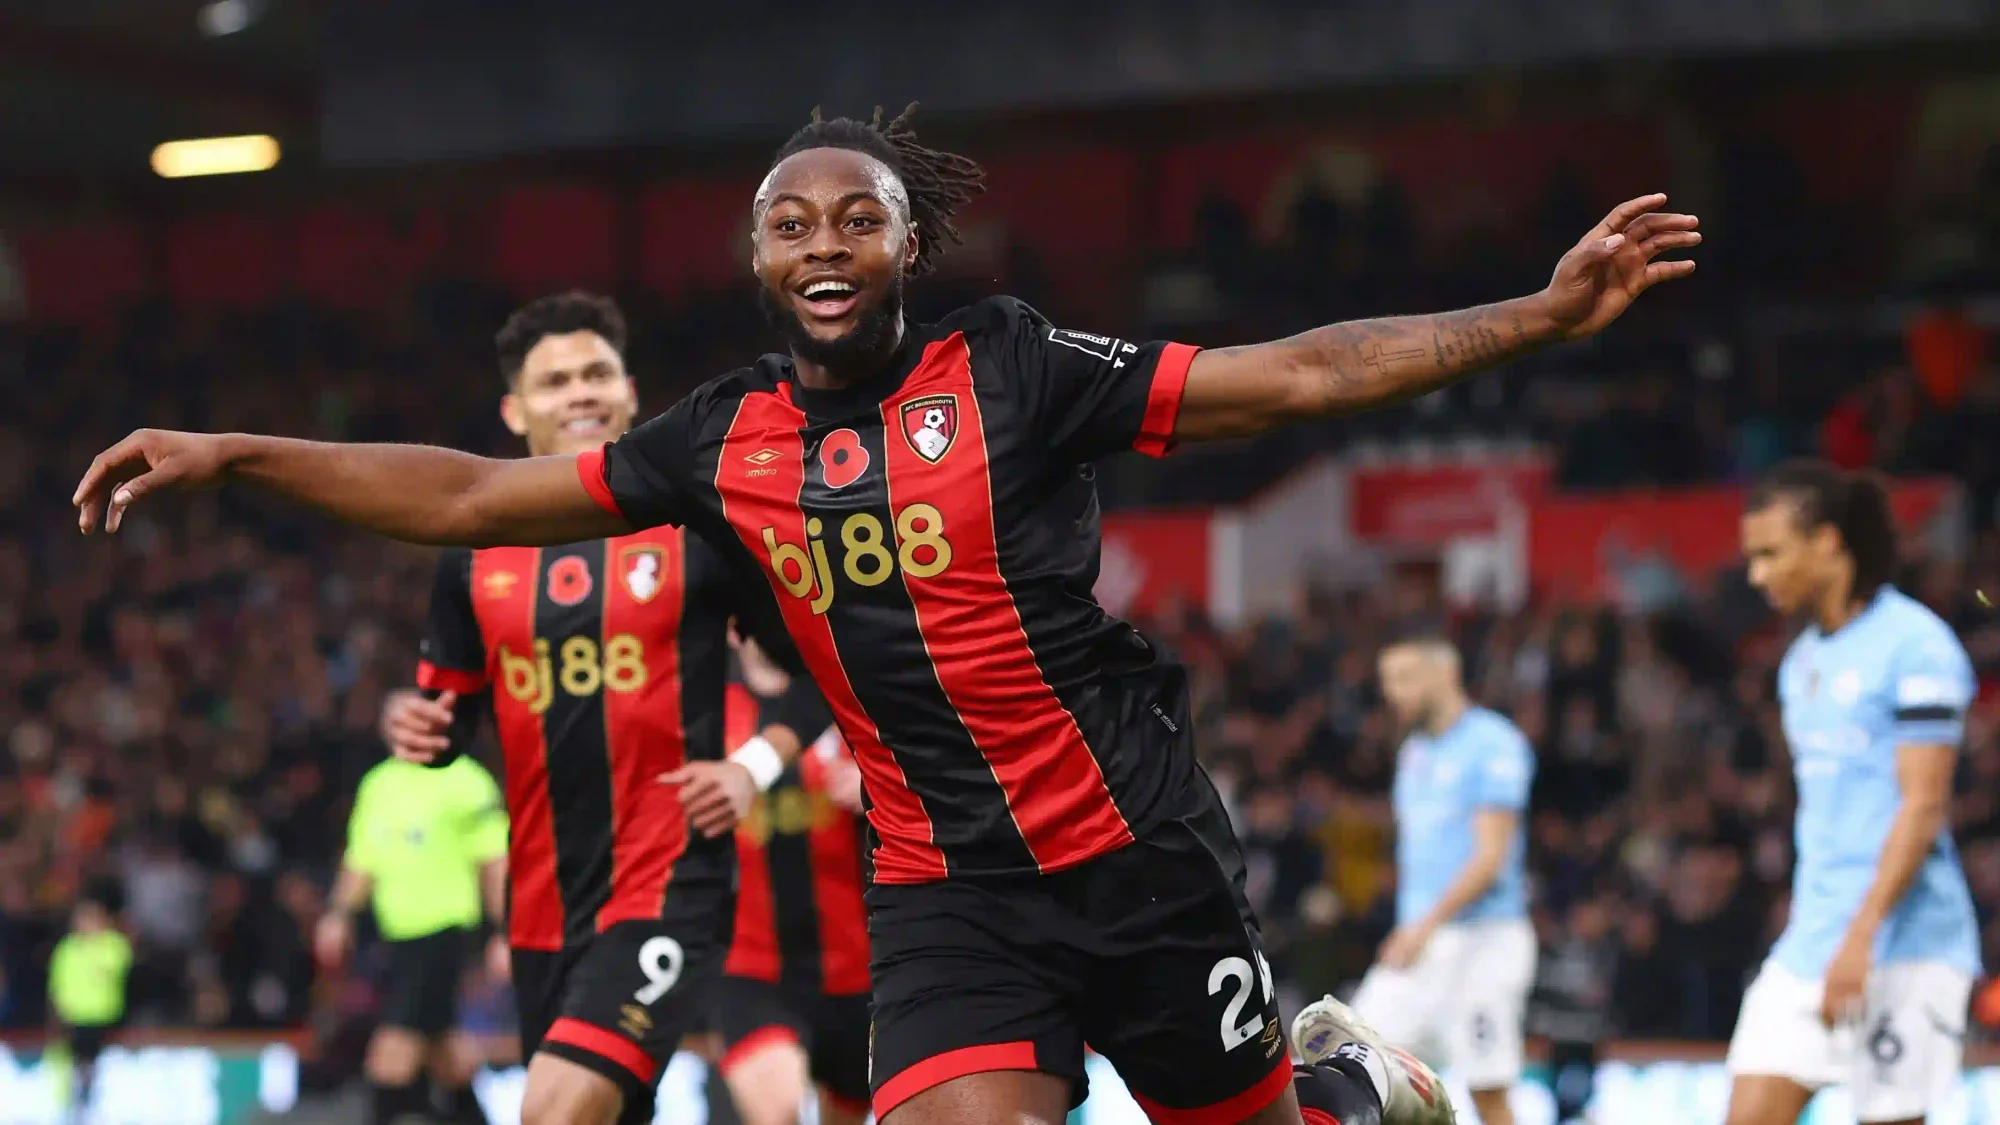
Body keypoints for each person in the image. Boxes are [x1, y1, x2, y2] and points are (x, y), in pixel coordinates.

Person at [74, 104, 1698, 1125]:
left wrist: (1536, 318)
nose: (826, 244)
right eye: (792, 224)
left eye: (857, 217)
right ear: (757, 260)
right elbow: (468, 501)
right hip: (947, 889)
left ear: (910, 243)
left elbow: (1294, 379)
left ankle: (1349, 1090)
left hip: (1133, 853)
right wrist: (237, 454)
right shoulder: (717, 441)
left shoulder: (1015, 367)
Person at [375, 291, 832, 1125]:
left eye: (596, 373)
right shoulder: (471, 556)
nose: (580, 392)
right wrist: (423, 730)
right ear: (516, 411)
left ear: (629, 392)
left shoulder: (701, 528)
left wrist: (751, 765)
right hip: (541, 910)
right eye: (555, 382)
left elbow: (821, 669)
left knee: (553, 1110)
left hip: (668, 884)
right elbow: (450, 717)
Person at [1723, 461, 1979, 1125]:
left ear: (1828, 542)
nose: (1757, 576)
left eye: (1771, 553)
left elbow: (1922, 805)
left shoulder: (1917, 647)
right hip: (1811, 943)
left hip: (1907, 946)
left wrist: (1860, 939)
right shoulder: (1801, 661)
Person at [1345, 636, 1537, 1125]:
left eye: (1405, 678)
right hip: (1421, 943)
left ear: (1446, 675)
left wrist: (1422, 927)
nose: (1393, 692)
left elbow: (1489, 858)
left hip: (1483, 941)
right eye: (1387, 681)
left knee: (1487, 1090)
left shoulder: (1494, 743)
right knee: (1351, 1065)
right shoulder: (1414, 751)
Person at [713, 645, 870, 1125]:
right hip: (753, 970)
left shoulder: (847, 701)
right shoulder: (711, 712)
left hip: (855, 971)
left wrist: (877, 788)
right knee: (778, 1113)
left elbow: (925, 782)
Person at [318, 748, 510, 1125]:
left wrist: (505, 931)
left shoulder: (466, 780)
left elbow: (494, 861)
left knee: (391, 1052)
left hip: (445, 931)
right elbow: (362, 856)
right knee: (445, 1053)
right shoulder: (379, 783)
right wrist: (338, 915)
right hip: (395, 939)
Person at [47, 893, 132, 1125]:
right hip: (73, 1016)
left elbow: (113, 969)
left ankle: (94, 1102)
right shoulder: (67, 948)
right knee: (72, 1061)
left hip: (104, 1016)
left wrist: (93, 948)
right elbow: (58, 981)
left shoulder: (113, 944)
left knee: (98, 1062)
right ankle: (74, 1103)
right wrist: (58, 1009)